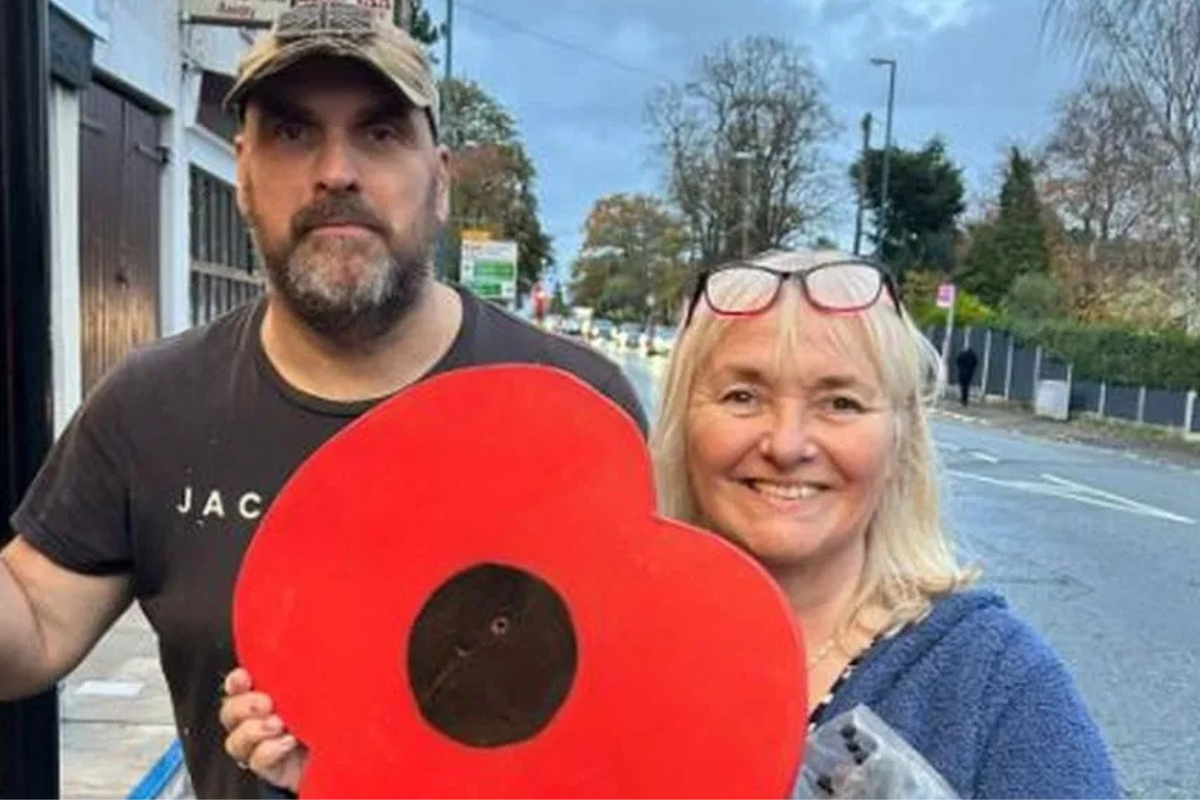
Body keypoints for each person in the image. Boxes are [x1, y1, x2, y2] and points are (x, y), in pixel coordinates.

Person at [0, 4, 645, 798]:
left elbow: (637, 712)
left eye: (379, 133)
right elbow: (30, 621)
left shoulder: (575, 408)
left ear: (438, 180)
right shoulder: (152, 407)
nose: (336, 171)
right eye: (293, 132)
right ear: (241, 172)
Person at [222, 249, 1120, 799]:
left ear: (901, 442)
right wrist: (349, 776)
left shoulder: (990, 686)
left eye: (841, 402)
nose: (788, 441)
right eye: (742, 395)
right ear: (682, 421)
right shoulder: (562, 650)